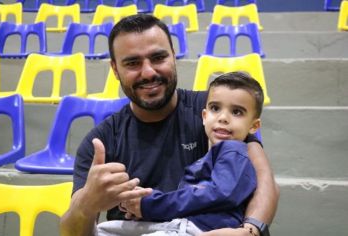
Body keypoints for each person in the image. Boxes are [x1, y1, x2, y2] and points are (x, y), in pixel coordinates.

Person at [60, 14, 279, 236]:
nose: (148, 72)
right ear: (115, 69)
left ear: (173, 57)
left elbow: (265, 181)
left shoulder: (217, 111)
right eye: (133, 63)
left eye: (158, 58)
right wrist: (86, 204)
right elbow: (71, 231)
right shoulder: (101, 141)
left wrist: (250, 231)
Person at [97, 71, 263, 236]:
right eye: (215, 108)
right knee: (103, 230)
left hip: (199, 230)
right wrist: (144, 201)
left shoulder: (233, 152)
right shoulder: (216, 155)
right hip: (178, 225)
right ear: (204, 116)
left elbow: (216, 195)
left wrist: (151, 204)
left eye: (237, 112)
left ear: (253, 126)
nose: (223, 118)